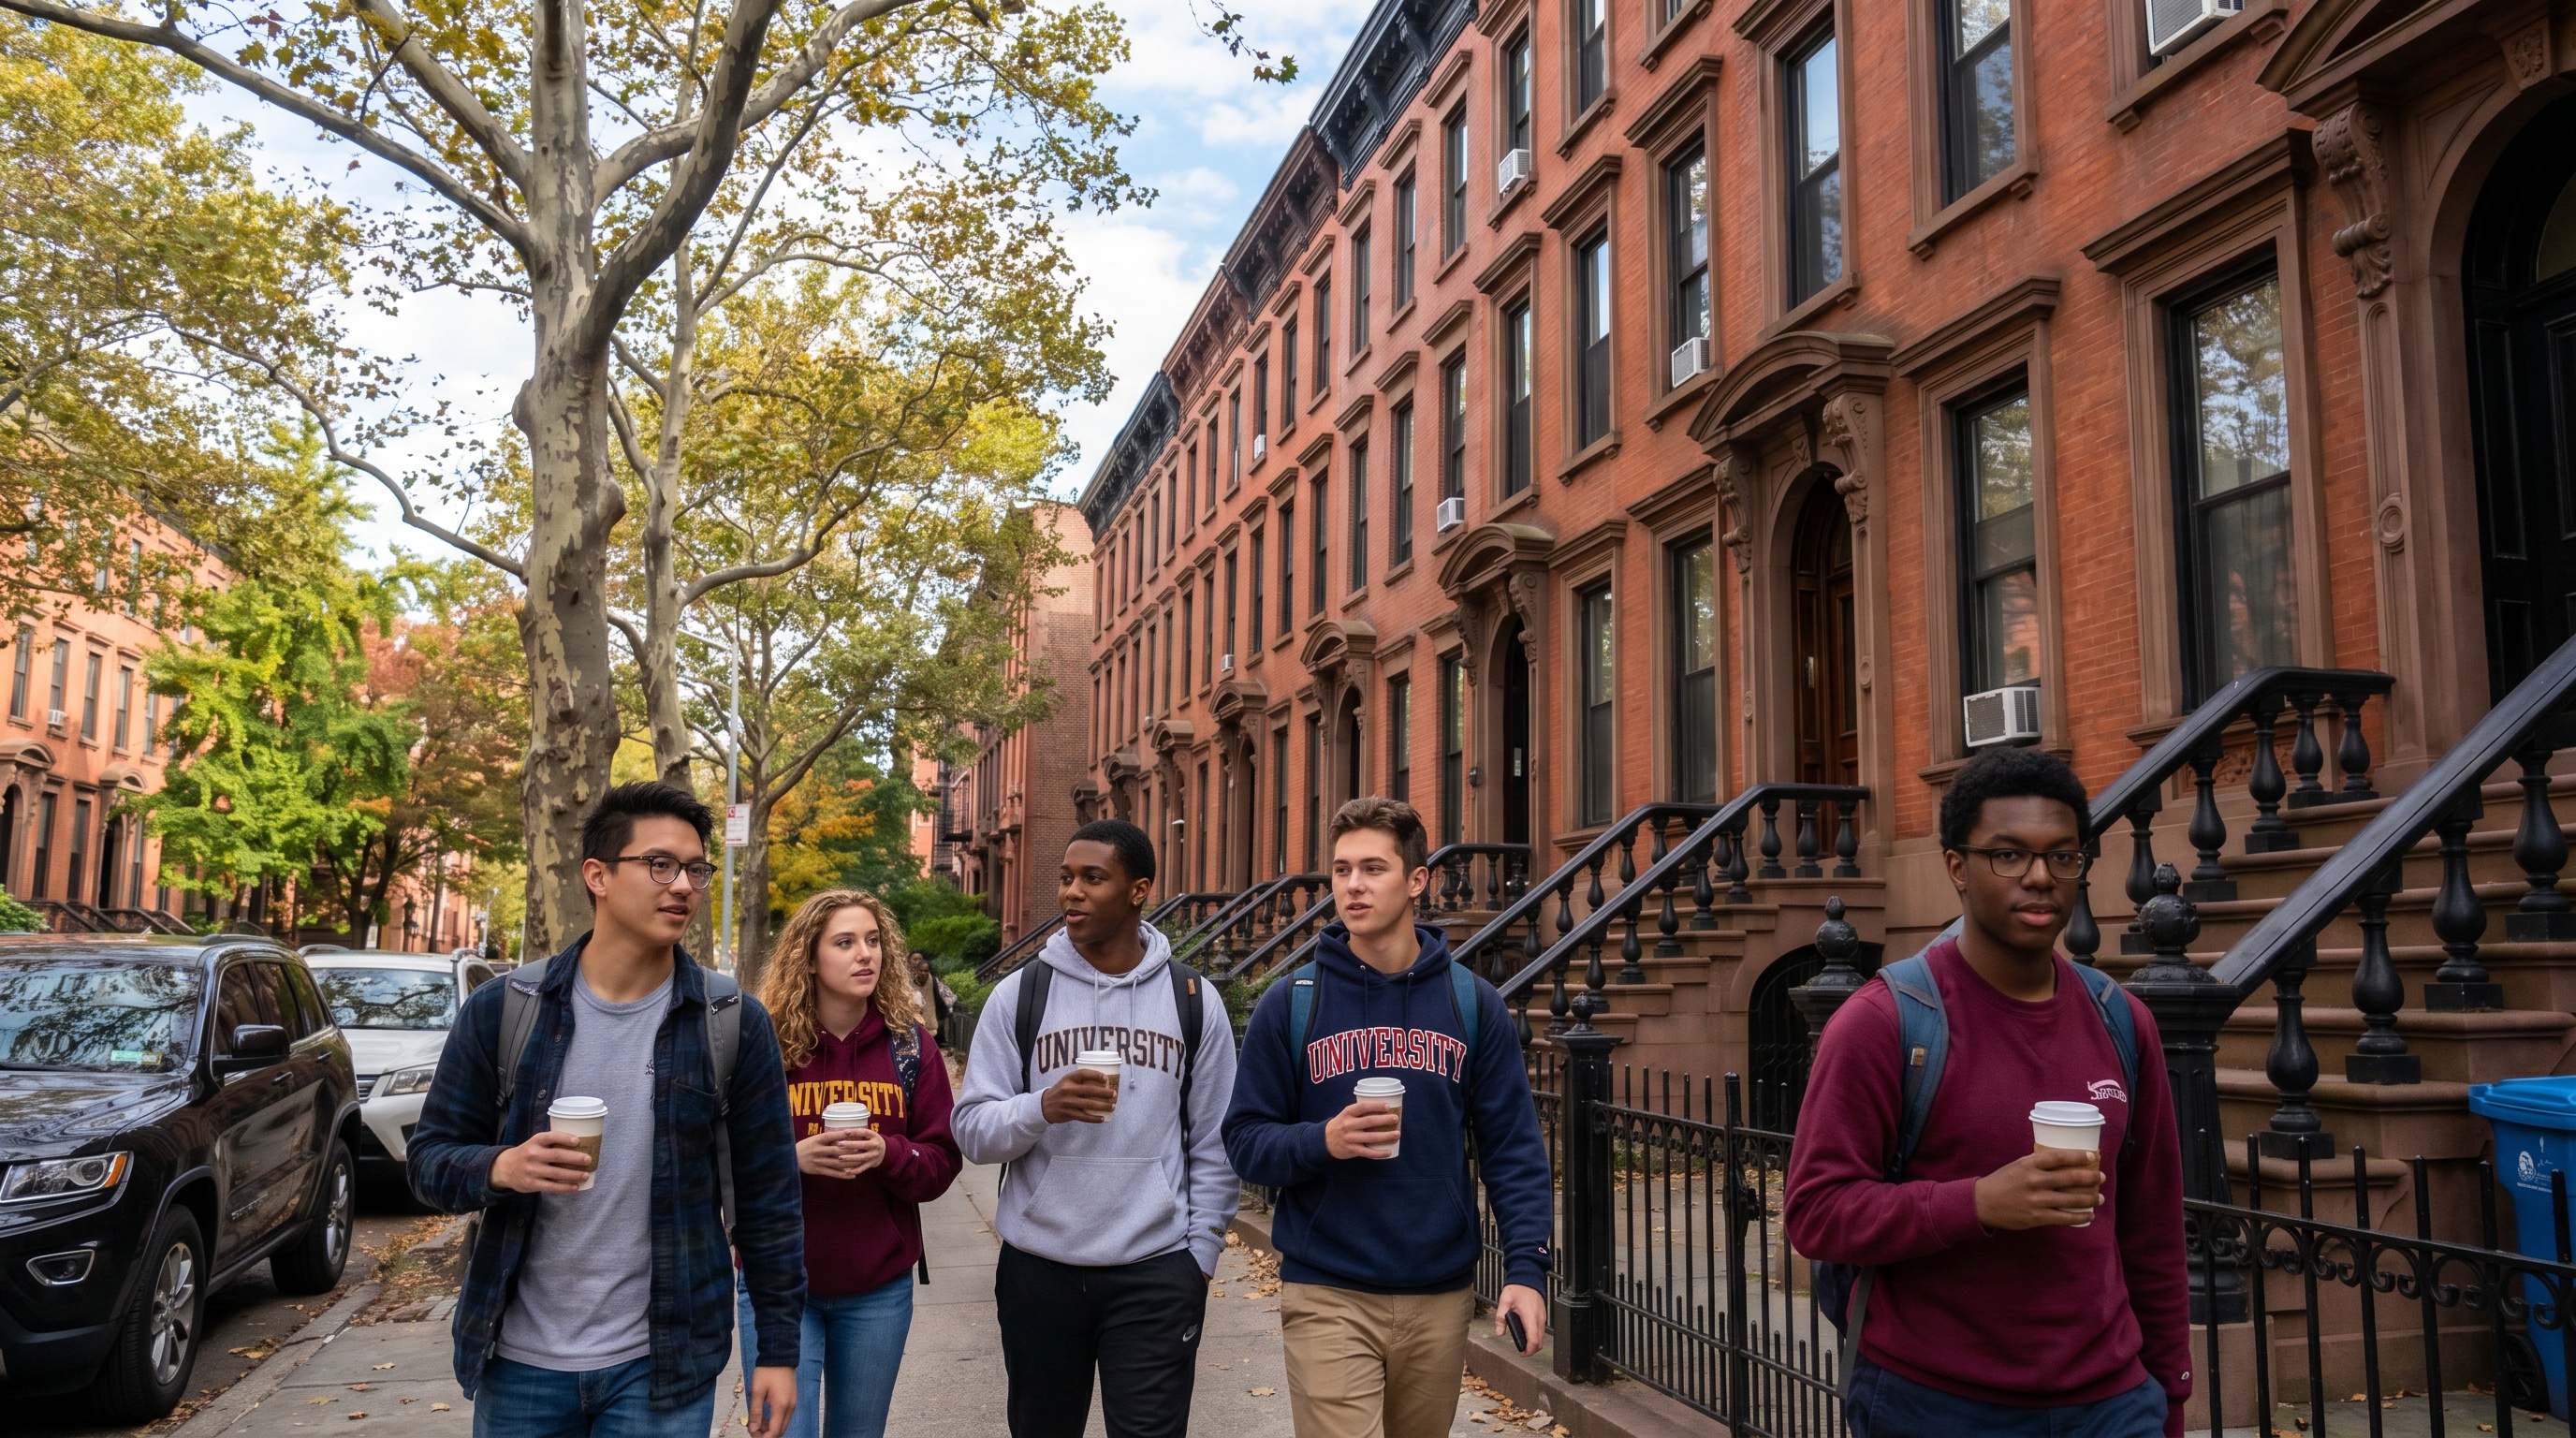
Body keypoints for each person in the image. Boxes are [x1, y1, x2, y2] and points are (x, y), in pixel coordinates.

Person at [1784, 748, 2189, 1438]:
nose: (2039, 877)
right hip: (1934, 1404)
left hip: (2113, 1404)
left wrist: (2169, 1398)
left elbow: (2152, 1233)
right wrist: (1979, 1204)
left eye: (2063, 856)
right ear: (1956, 868)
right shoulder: (1885, 1022)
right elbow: (1817, 1214)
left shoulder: (2122, 1021)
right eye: (2008, 856)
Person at [408, 782, 806, 1438]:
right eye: (659, 865)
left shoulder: (730, 1022)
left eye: (696, 869)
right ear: (597, 875)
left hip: (663, 1368)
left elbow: (770, 1202)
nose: (682, 885)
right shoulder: (506, 1010)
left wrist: (778, 1352)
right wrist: (504, 1166)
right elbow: (427, 1164)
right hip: (519, 1365)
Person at [1222, 797, 1553, 1438]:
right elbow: (1244, 1141)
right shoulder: (1289, 1005)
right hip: (1328, 1288)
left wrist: (1526, 1270)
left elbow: (1513, 1147)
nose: (1352, 886)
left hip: (1440, 1293)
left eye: (1373, 868)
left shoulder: (1470, 1002)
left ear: (1417, 880)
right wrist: (1325, 1140)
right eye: (1342, 870)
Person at [953, 818, 1239, 1438]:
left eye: (1092, 878)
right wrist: (1042, 1107)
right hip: (1040, 1269)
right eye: (1064, 878)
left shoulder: (1193, 1000)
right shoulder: (1020, 995)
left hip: (1157, 1269)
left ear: (1137, 891)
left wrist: (1201, 1258)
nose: (1070, 893)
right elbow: (972, 1131)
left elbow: (1215, 1143)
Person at [747, 889, 962, 1437]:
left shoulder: (910, 1048)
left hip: (878, 1289)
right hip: (777, 1285)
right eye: (844, 943)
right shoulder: (765, 1044)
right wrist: (789, 1160)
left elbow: (941, 1162)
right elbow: (720, 1161)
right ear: (808, 957)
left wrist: (889, 1152)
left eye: (872, 941)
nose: (865, 954)